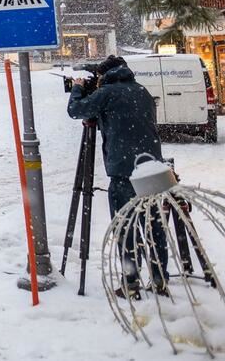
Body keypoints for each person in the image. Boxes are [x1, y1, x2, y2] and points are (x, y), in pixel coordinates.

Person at [67, 55, 168, 297]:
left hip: (124, 172)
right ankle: (159, 279)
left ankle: (130, 282)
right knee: (153, 225)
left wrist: (79, 88)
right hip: (152, 167)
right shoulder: (141, 91)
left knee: (126, 227)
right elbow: (124, 119)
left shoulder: (108, 93)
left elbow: (75, 110)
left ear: (104, 75)